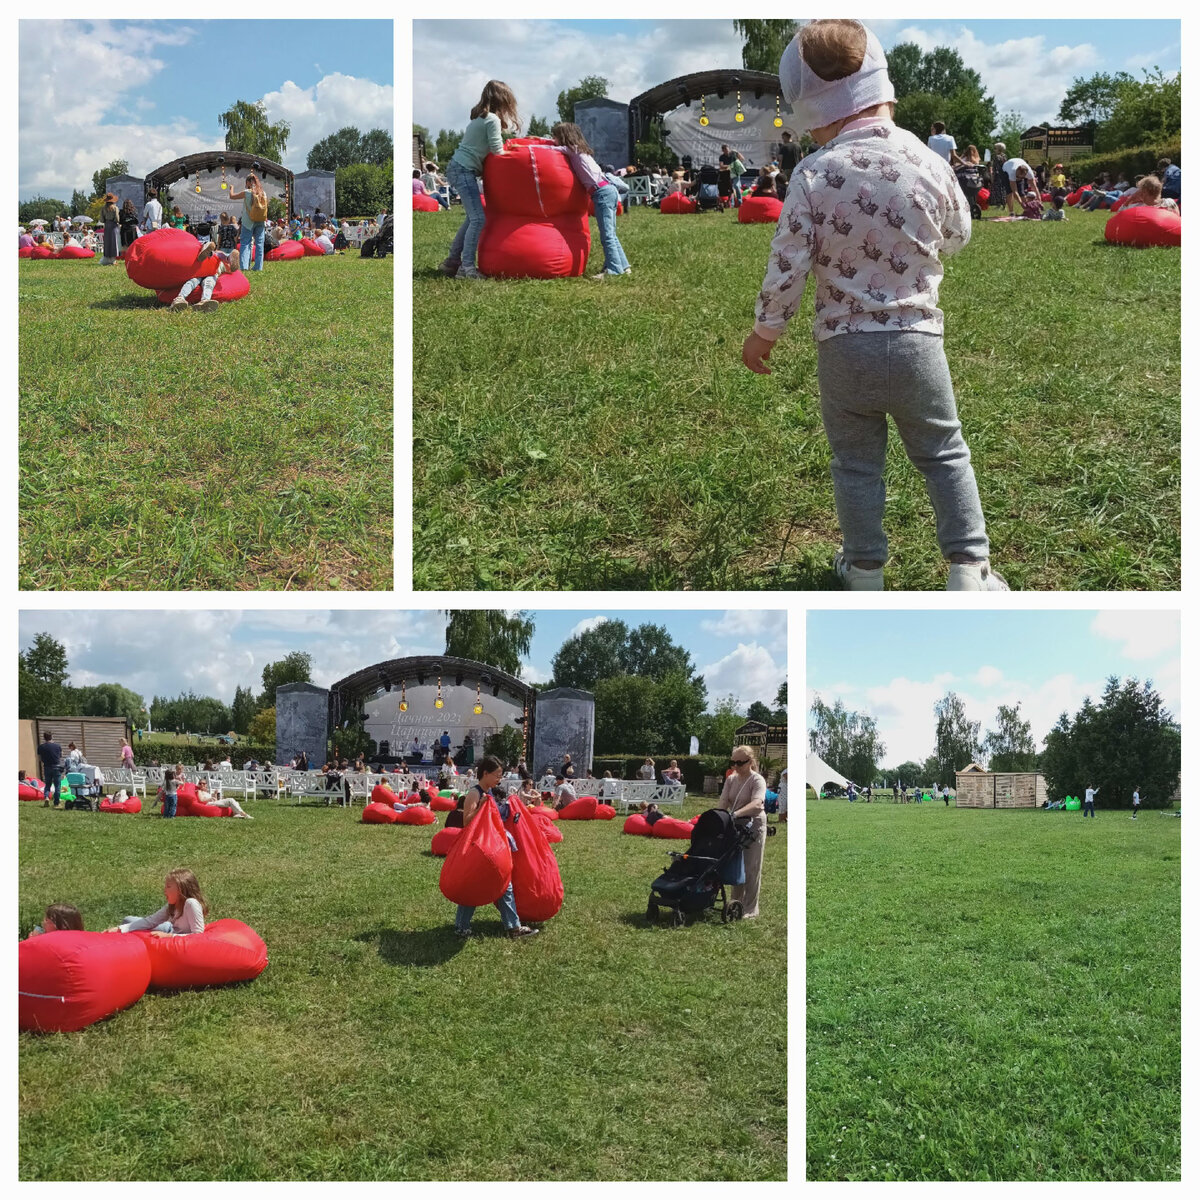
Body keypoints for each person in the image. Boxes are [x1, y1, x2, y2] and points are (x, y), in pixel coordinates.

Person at [742, 19, 1006, 592]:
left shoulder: (812, 173)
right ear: (883, 91)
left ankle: (864, 569)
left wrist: (766, 332)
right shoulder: (930, 163)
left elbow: (787, 265)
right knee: (943, 453)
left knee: (856, 465)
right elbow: (958, 233)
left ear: (814, 112)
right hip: (917, 343)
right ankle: (968, 570)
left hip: (844, 351)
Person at [440, 79, 520, 280]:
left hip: (459, 168)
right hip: (464, 170)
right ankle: (466, 268)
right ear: (503, 101)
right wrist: (515, 152)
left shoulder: (479, 118)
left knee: (472, 218)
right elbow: (497, 150)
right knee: (478, 219)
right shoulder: (491, 119)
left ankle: (452, 261)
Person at [453, 756, 538, 939]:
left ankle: (513, 928)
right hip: (478, 848)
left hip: (491, 847)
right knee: (474, 886)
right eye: (497, 775)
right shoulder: (475, 793)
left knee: (503, 884)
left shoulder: (489, 792)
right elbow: (466, 821)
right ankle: (462, 926)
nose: (499, 779)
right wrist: (480, 807)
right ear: (485, 774)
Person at [551, 122, 631, 279]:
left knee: (607, 235)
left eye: (556, 136)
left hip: (602, 193)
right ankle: (623, 265)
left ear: (564, 137)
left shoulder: (572, 150)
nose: (554, 139)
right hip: (608, 190)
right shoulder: (580, 150)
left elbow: (551, 149)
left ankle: (614, 271)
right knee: (611, 234)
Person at [719, 745, 768, 919]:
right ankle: (736, 902)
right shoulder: (731, 779)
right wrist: (719, 818)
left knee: (751, 866)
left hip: (753, 825)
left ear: (750, 762)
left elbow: (757, 803)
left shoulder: (757, 780)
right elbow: (723, 801)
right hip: (734, 824)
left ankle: (750, 908)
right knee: (736, 864)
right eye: (733, 762)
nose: (736, 766)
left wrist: (737, 813)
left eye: (740, 763)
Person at [108, 869, 207, 937]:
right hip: (169, 928)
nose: (164, 890)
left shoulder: (191, 904)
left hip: (172, 933)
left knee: (130, 923)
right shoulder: (172, 905)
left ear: (180, 889)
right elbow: (151, 921)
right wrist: (119, 929)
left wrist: (169, 936)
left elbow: (198, 935)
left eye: (168, 886)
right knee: (128, 920)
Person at [169, 241, 239, 314]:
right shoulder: (218, 256)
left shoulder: (220, 262)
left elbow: (230, 270)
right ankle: (180, 299)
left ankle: (203, 301)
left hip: (208, 273)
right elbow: (229, 269)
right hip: (201, 269)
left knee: (199, 283)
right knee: (195, 282)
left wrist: (227, 263)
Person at [230, 172, 268, 272]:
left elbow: (232, 196)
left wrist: (231, 188)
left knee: (245, 243)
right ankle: (258, 267)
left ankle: (244, 267)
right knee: (260, 244)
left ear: (248, 182)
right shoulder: (263, 193)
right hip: (260, 221)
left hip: (248, 221)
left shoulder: (247, 192)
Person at [37, 730, 63, 808]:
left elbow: (39, 758)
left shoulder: (41, 747)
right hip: (56, 767)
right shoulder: (57, 746)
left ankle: (46, 797)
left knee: (47, 784)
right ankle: (56, 803)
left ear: (44, 738)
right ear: (51, 736)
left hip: (47, 767)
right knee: (57, 785)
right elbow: (60, 755)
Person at [100, 193, 121, 265]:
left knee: (107, 242)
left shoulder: (103, 208)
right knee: (114, 242)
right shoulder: (115, 208)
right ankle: (113, 259)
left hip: (107, 225)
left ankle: (107, 258)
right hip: (113, 225)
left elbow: (101, 219)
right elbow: (117, 219)